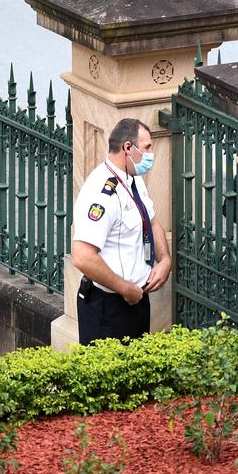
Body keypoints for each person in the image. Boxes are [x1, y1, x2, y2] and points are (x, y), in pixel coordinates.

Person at [71, 118, 171, 345]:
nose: (151, 153)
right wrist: (126, 289)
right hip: (108, 307)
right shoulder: (102, 194)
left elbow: (152, 223)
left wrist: (164, 261)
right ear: (128, 148)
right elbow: (82, 256)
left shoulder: (133, 179)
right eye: (147, 147)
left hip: (136, 301)